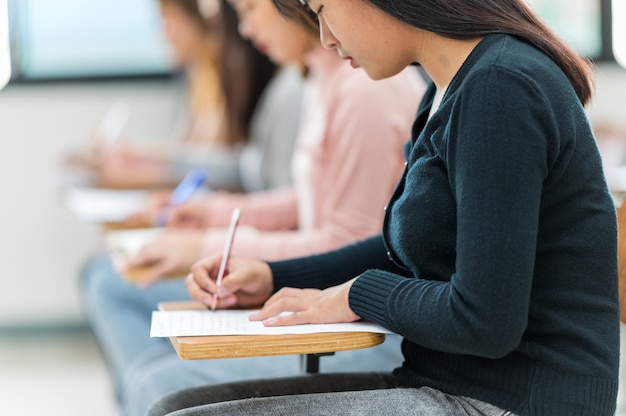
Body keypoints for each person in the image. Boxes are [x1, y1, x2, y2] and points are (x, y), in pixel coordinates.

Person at [153, 0, 620, 415]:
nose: (326, 38)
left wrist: (356, 294)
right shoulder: (446, 89)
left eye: (320, 10)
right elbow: (404, 251)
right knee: (173, 404)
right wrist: (273, 275)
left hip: (511, 402)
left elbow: (484, 321)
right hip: (447, 385)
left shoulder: (501, 87)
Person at [80, 0, 426, 414]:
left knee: (155, 377)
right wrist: (213, 215)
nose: (243, 29)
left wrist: (208, 245)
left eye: (249, 10)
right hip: (329, 296)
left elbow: (351, 240)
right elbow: (313, 202)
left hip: (368, 327)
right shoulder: (324, 78)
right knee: (150, 369)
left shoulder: (364, 87)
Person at [65, 0, 280, 192]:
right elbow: (187, 151)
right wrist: (135, 156)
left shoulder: (233, 69)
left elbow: (214, 160)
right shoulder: (200, 74)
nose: (163, 33)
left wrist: (135, 168)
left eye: (168, 20)